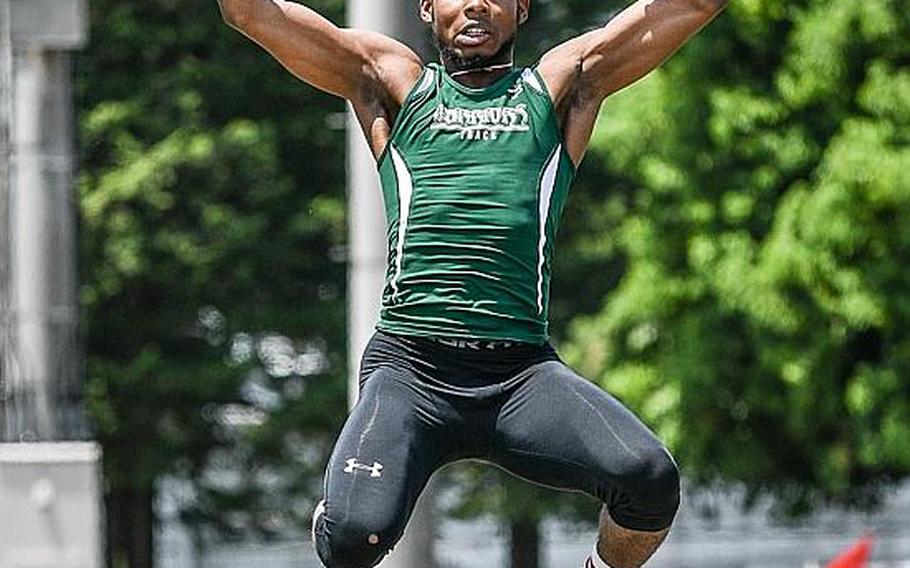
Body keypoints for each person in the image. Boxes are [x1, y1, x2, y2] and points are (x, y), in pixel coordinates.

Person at [215, 0, 727, 566]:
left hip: (519, 375)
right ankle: (338, 515)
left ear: (521, 8)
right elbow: (250, 13)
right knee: (354, 535)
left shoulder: (561, 85)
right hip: (412, 369)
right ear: (429, 7)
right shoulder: (391, 80)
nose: (478, 2)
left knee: (650, 480)